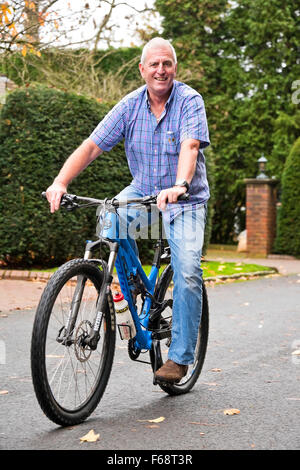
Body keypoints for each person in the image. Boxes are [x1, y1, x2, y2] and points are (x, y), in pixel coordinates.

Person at [46, 37, 210, 384]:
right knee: (110, 217)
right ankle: (133, 284)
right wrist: (60, 181)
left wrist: (180, 185)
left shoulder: (189, 101)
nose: (161, 70)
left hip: (185, 199)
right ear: (142, 69)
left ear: (174, 68)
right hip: (143, 191)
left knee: (188, 270)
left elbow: (190, 146)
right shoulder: (129, 106)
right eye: (154, 64)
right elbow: (91, 147)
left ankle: (179, 358)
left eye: (167, 63)